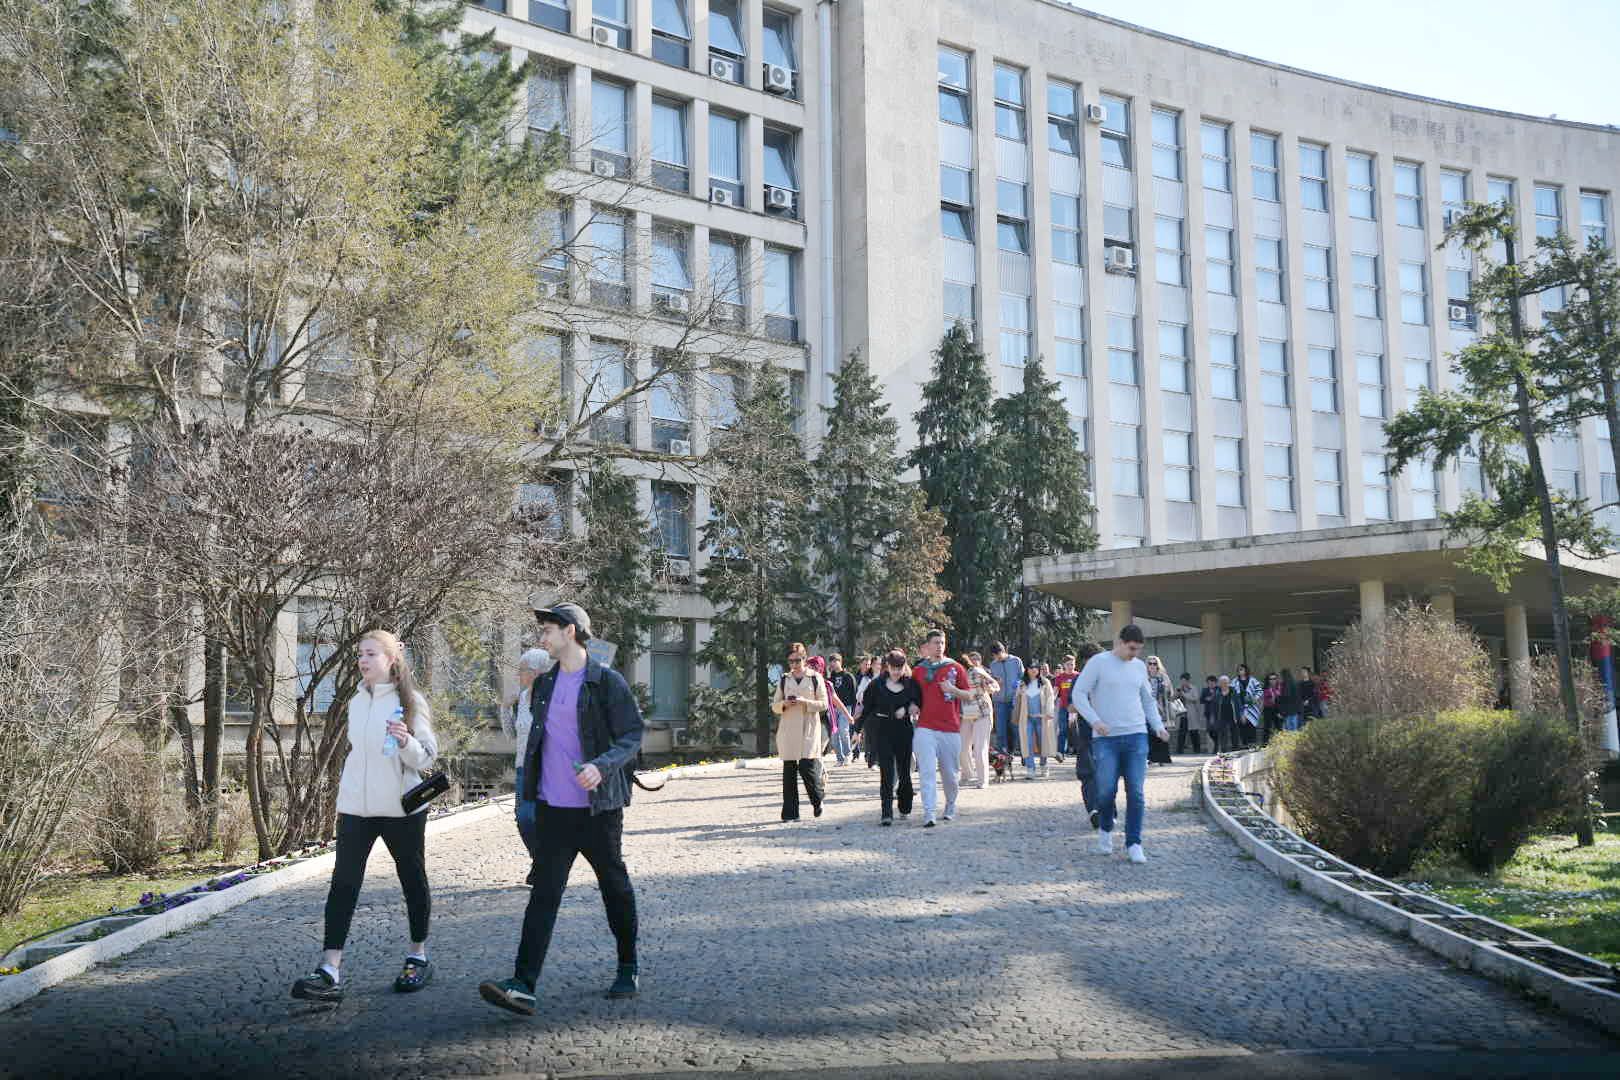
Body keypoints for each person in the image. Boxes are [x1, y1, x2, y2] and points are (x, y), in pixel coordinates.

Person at [479, 603, 644, 1016]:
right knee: (544, 895)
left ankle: (628, 965)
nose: (542, 638)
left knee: (614, 887)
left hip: (597, 810)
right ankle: (523, 983)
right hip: (553, 808)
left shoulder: (606, 682)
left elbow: (632, 735)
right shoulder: (546, 684)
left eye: (548, 630)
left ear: (570, 632)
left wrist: (600, 767)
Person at [292, 630, 438, 1004]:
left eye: (371, 654)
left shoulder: (411, 701)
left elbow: (427, 757)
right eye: (360, 654)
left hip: (401, 810)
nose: (362, 660)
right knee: (343, 884)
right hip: (357, 808)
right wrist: (347, 795)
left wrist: (406, 741)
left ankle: (418, 955)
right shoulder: (356, 701)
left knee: (412, 879)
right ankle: (329, 970)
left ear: (391, 660)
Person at [1069, 625, 1171, 864]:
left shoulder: (1138, 667)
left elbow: (1147, 700)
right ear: (1120, 642)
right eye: (1131, 648)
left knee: (1136, 792)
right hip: (1106, 739)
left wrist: (1157, 726)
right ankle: (1105, 834)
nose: (1135, 654)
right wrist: (1095, 721)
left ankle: (1134, 843)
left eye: (1138, 649)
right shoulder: (1098, 663)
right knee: (1106, 791)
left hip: (1136, 736)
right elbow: (1079, 695)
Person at [502, 647, 553, 881]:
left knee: (539, 818)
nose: (518, 675)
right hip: (523, 768)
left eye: (522, 671)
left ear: (535, 672)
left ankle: (544, 866)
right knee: (523, 818)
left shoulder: (552, 698)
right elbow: (511, 735)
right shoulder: (522, 699)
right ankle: (541, 861)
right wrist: (505, 708)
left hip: (546, 768)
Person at [912, 629, 971, 828]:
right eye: (935, 642)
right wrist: (912, 705)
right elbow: (913, 695)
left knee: (950, 775)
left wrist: (953, 690)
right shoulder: (919, 670)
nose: (939, 646)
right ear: (927, 646)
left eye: (942, 642)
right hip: (925, 728)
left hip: (950, 728)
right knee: (927, 772)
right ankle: (929, 812)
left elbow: (970, 695)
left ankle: (950, 804)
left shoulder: (955, 668)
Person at [859, 650, 921, 824]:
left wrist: (910, 706)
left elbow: (919, 701)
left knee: (904, 772)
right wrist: (857, 730)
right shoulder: (876, 684)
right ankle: (886, 813)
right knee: (886, 773)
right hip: (883, 729)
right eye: (893, 667)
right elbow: (867, 708)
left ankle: (905, 806)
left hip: (904, 730)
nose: (896, 671)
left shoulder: (910, 683)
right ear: (887, 666)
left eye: (900, 667)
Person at [773, 644, 829, 819]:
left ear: (804, 658)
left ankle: (817, 799)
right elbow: (775, 706)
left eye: (797, 660)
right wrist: (784, 704)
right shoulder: (784, 679)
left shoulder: (815, 678)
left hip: (809, 728)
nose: (794, 664)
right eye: (791, 661)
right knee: (789, 771)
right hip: (788, 729)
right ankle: (790, 813)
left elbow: (824, 704)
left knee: (807, 768)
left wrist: (805, 702)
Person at [1069, 641, 1104, 828]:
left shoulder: (1109, 678)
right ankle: (1094, 811)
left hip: (1107, 733)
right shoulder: (1078, 680)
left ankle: (1108, 809)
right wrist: (1085, 704)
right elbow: (1070, 705)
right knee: (1088, 773)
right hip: (1085, 733)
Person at [958, 650, 1000, 788]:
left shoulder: (976, 672)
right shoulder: (954, 677)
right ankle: (968, 775)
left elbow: (995, 685)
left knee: (980, 747)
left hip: (982, 712)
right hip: (967, 714)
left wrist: (990, 688)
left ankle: (983, 780)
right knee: (962, 747)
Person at [1011, 662, 1056, 780]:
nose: (1034, 670)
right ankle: (1030, 768)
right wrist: (1019, 694)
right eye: (1031, 668)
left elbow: (1050, 698)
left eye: (1036, 668)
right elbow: (1016, 701)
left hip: (1042, 717)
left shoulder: (1045, 682)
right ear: (1027, 669)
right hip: (1026, 717)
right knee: (1027, 743)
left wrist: (1049, 712)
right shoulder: (1022, 683)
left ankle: (1044, 765)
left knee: (1043, 742)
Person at [987, 642, 1024, 756]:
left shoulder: (1016, 661)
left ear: (1003, 651)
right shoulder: (993, 664)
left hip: (1014, 700)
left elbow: (1023, 677)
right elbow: (990, 680)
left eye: (998, 655)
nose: (996, 658)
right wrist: (995, 682)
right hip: (999, 701)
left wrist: (1018, 685)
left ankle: (1014, 751)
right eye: (994, 656)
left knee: (1014, 727)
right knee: (1001, 729)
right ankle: (1002, 754)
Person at [826, 653, 858, 766]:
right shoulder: (830, 678)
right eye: (831, 662)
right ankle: (840, 758)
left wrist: (853, 712)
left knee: (843, 731)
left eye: (835, 661)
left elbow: (854, 695)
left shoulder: (848, 676)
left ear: (840, 662)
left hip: (846, 707)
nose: (833, 664)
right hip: (833, 709)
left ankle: (848, 754)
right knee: (834, 734)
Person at [1144, 655, 1174, 766]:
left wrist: (1166, 688)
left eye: (1154, 663)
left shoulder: (1163, 677)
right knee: (1149, 733)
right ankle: (1151, 758)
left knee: (1161, 732)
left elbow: (1171, 693)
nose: (1152, 666)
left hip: (1161, 709)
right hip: (1146, 708)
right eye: (1150, 663)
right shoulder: (1143, 677)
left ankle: (1162, 758)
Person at [1052, 656, 1078, 762]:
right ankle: (1060, 753)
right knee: (1063, 730)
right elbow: (1055, 691)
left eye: (1072, 664)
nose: (1070, 666)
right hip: (1063, 707)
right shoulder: (1059, 677)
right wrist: (1051, 701)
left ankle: (1080, 752)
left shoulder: (1078, 676)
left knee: (1076, 730)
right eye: (1068, 664)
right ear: (1064, 665)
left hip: (1076, 708)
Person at [1210, 674, 1241, 753]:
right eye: (1222, 683)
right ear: (1219, 684)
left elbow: (1238, 704)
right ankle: (1224, 751)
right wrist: (1213, 717)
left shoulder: (1233, 691)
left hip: (1233, 716)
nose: (1224, 684)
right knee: (1223, 734)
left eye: (1225, 682)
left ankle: (1235, 750)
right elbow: (1213, 706)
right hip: (1221, 716)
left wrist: (1241, 715)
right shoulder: (1217, 693)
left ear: (1228, 683)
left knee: (1235, 734)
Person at [1234, 663, 1262, 748]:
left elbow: (1259, 690)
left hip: (1251, 706)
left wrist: (1255, 698)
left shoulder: (1253, 680)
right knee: (1242, 725)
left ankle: (1252, 743)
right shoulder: (1235, 681)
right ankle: (1245, 744)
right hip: (1240, 706)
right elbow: (1232, 693)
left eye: (1242, 669)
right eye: (1239, 670)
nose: (1240, 671)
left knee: (1251, 724)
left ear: (1246, 670)